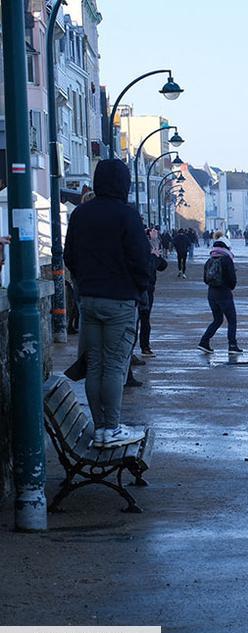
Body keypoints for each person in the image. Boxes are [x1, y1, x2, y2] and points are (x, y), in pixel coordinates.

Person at [63, 158, 151, 447]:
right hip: (120, 300)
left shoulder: (80, 214)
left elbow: (69, 256)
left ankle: (101, 428)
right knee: (114, 365)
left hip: (89, 300)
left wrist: (85, 281)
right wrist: (139, 288)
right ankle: (111, 428)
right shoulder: (127, 216)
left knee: (95, 365)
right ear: (124, 184)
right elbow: (141, 260)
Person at [197, 240, 242, 354]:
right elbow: (232, 278)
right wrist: (230, 287)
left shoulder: (209, 261)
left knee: (217, 320)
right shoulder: (227, 259)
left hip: (211, 294)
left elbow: (205, 279)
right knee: (232, 320)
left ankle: (204, 342)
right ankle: (232, 345)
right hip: (224, 293)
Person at [139, 228, 169, 357]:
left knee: (145, 319)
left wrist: (156, 255)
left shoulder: (150, 247)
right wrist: (154, 255)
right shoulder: (140, 249)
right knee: (140, 319)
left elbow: (163, 266)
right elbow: (149, 268)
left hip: (148, 289)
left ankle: (145, 346)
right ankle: (143, 347)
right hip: (141, 288)